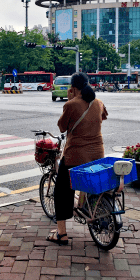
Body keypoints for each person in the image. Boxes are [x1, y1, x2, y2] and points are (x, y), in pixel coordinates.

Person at [47, 72, 108, 245]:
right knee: (87, 182)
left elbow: (61, 127)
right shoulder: (98, 102)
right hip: (97, 153)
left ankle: (62, 234)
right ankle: (82, 206)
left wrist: (70, 100)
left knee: (62, 192)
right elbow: (102, 117)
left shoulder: (71, 105)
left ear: (73, 88)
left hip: (76, 155)